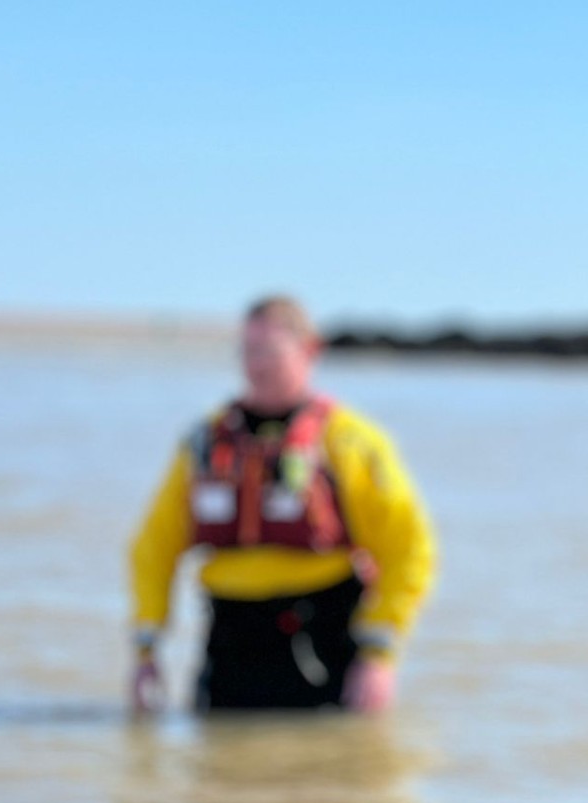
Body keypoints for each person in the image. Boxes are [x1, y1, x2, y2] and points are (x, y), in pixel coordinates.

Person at [130, 295, 435, 713]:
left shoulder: (352, 442)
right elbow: (153, 549)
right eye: (248, 351)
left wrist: (379, 655)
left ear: (310, 351)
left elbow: (410, 549)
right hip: (230, 646)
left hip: (322, 640)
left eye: (270, 351)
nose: (257, 365)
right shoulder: (203, 442)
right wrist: (146, 650)